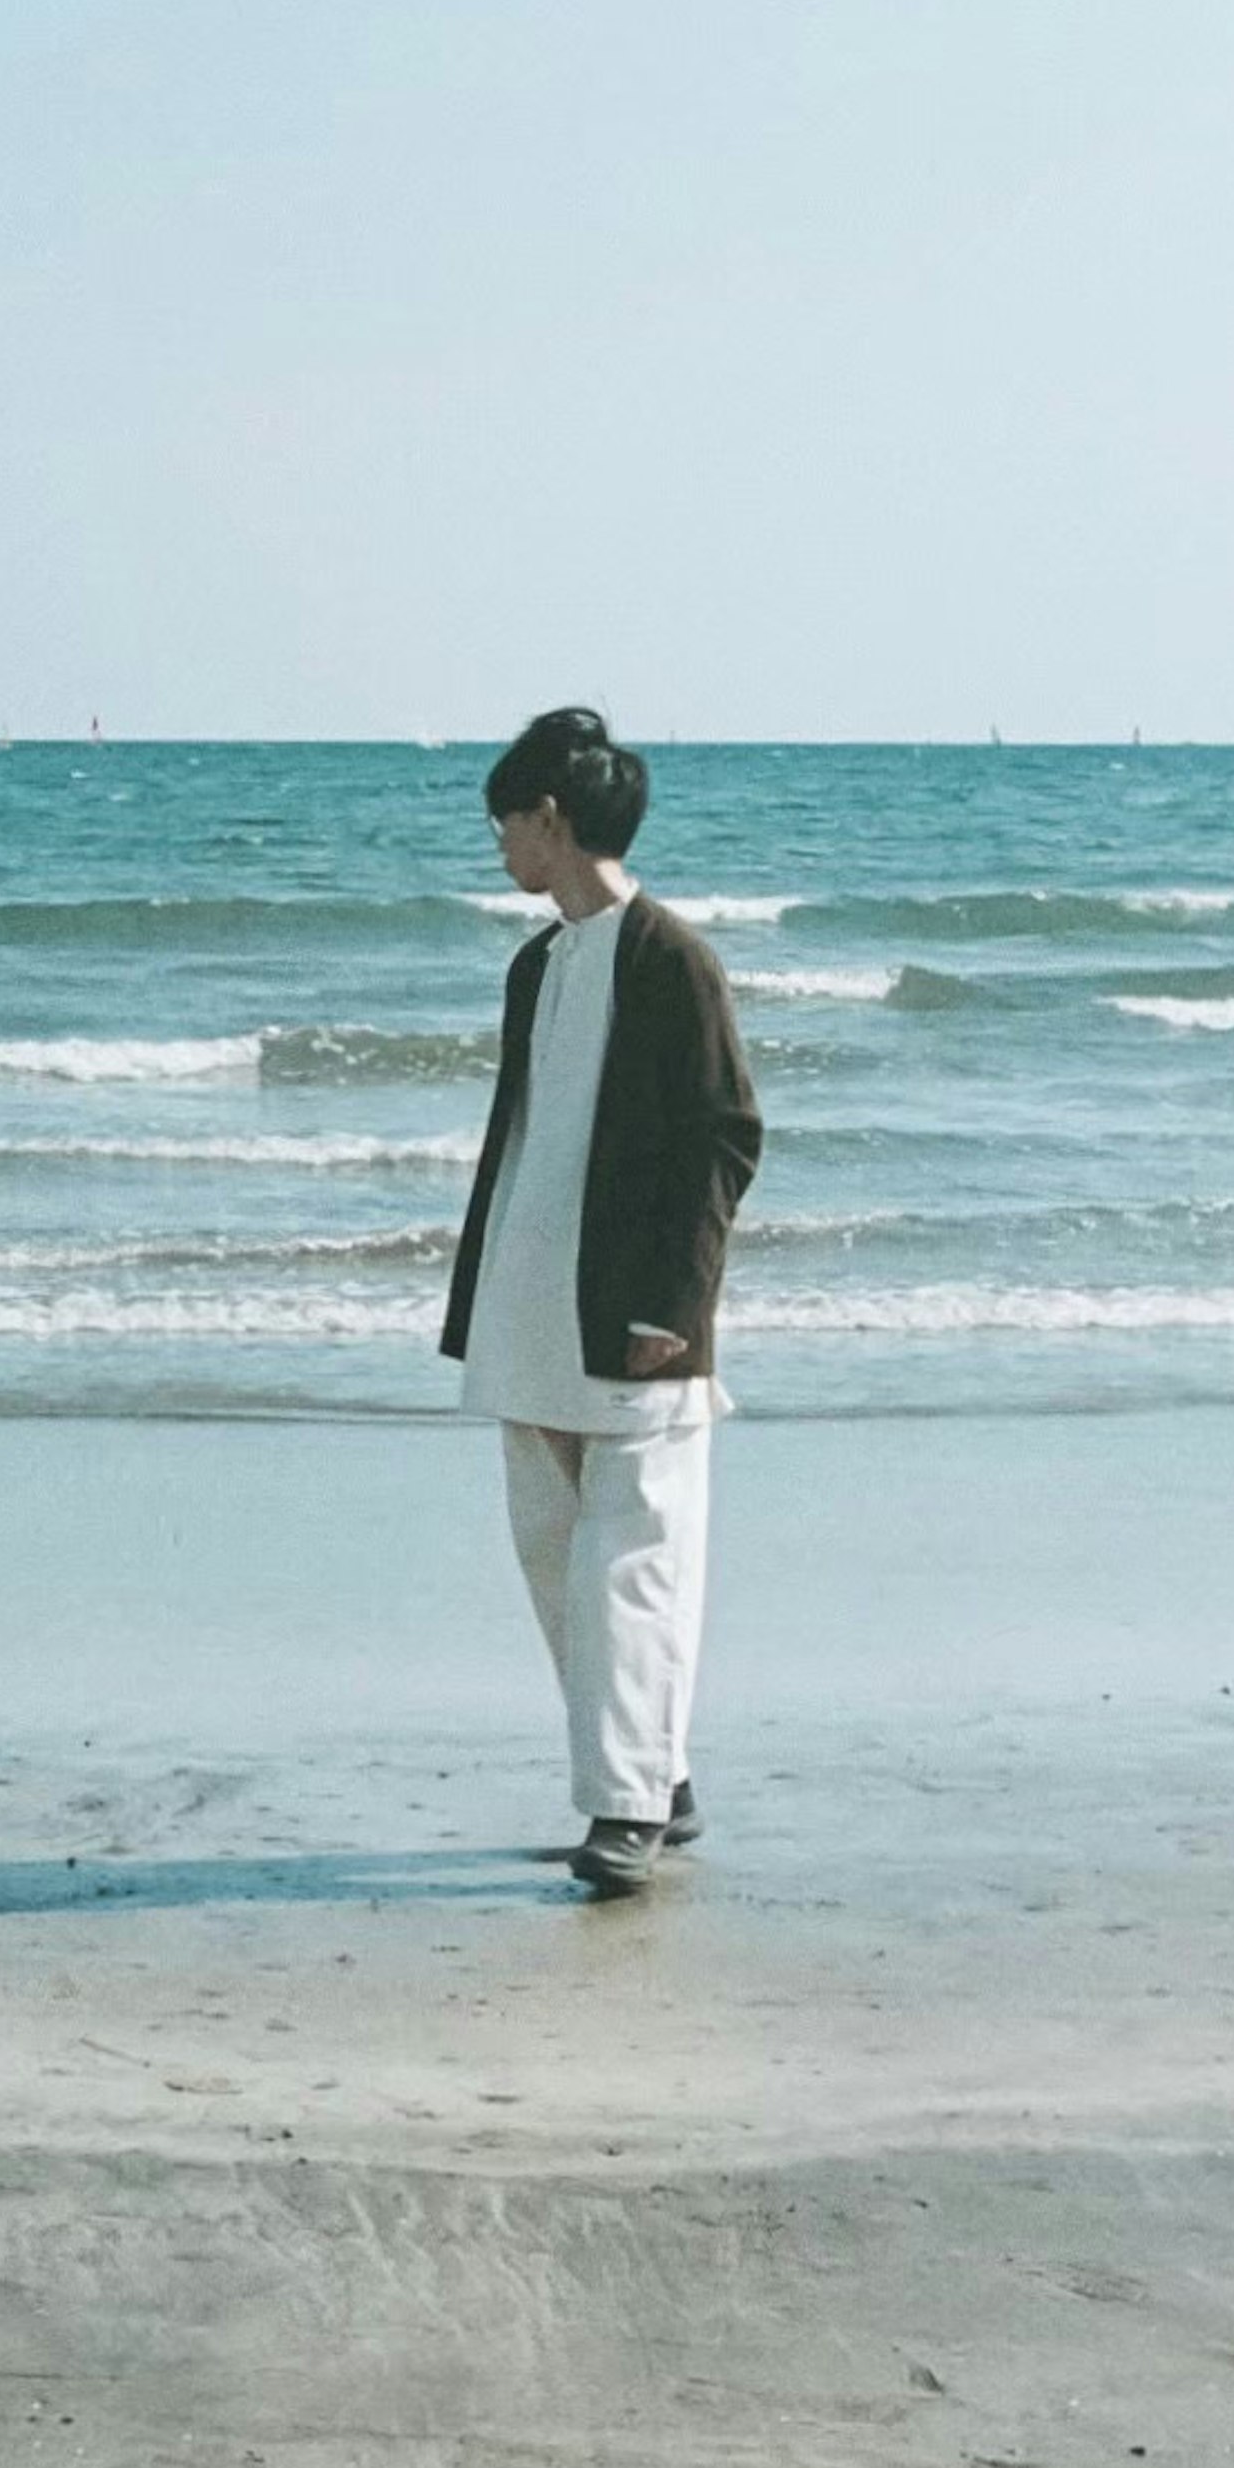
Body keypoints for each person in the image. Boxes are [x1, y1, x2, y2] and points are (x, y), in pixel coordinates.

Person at [441, 707, 762, 1895]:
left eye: (506, 823)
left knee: (634, 1557)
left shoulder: (670, 956)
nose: (500, 846)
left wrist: (675, 1300)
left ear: (552, 820)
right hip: (534, 1308)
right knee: (552, 1553)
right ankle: (652, 1770)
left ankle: (626, 1808)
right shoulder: (537, 963)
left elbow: (725, 1136)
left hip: (638, 1315)